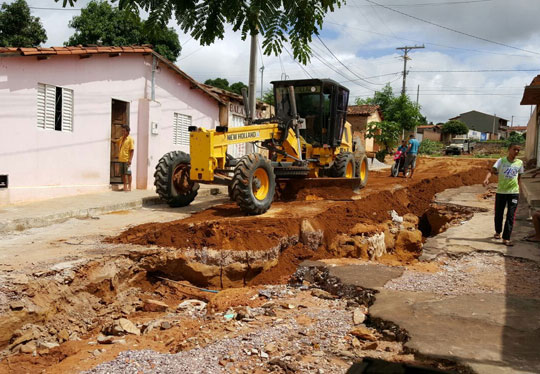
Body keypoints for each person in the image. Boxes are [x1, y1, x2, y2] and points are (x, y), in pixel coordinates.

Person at [483, 143, 524, 246]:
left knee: (510, 215)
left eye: (518, 150)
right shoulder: (501, 161)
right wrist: (487, 178)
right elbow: (492, 171)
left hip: (513, 193)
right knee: (499, 214)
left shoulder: (520, 163)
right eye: (514, 149)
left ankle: (506, 238)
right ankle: (498, 232)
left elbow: (519, 178)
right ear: (509, 149)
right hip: (501, 192)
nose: (516, 152)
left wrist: (520, 190)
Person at [115, 125, 135, 191]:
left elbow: (132, 150)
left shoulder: (130, 139)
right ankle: (125, 186)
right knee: (123, 174)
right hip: (121, 159)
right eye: (122, 131)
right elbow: (116, 141)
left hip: (127, 160)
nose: (122, 132)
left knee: (128, 174)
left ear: (127, 132)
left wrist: (130, 159)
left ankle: (129, 186)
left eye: (124, 131)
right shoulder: (121, 138)